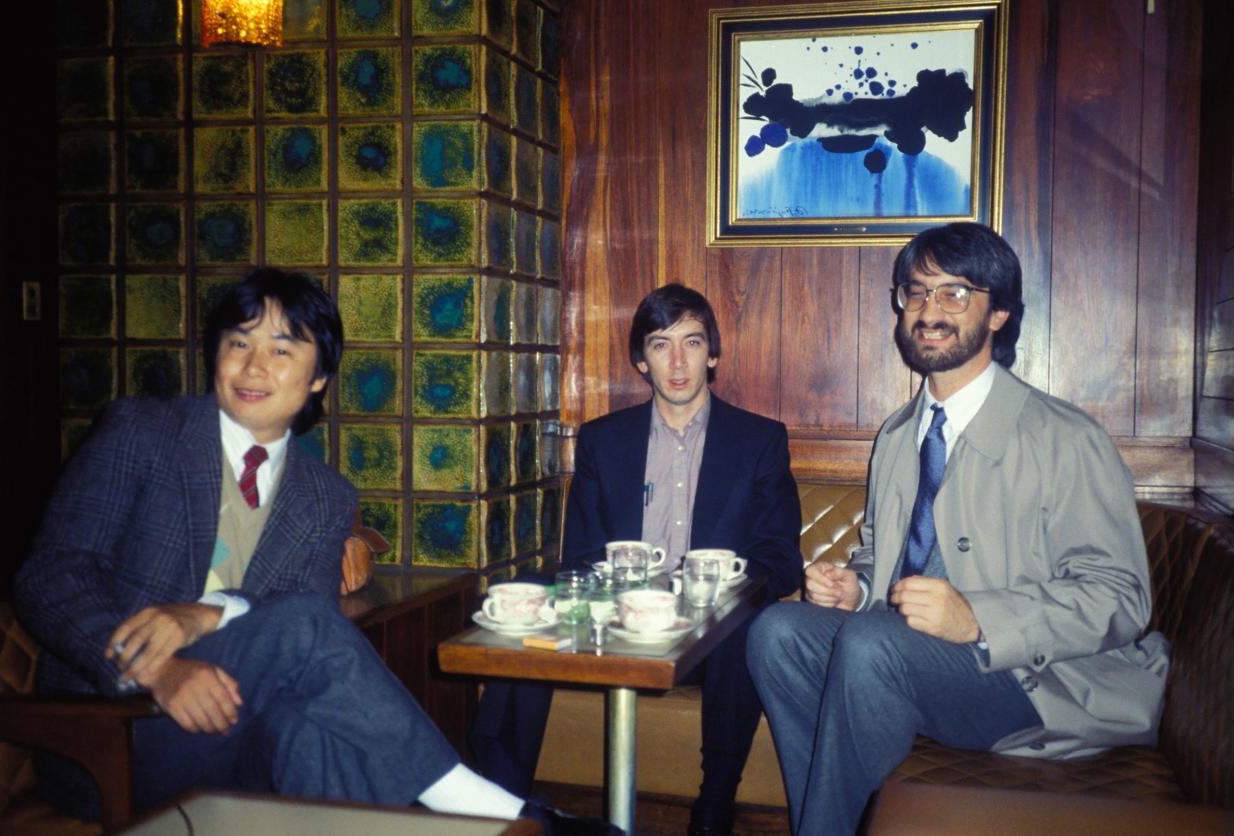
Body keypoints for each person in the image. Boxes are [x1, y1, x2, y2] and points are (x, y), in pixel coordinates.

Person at [14, 269, 615, 834]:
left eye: (281, 350)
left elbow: (300, 632)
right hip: (114, 735)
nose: (253, 367)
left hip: (242, 734)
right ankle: (500, 813)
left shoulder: (325, 496)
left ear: (319, 376)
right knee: (306, 627)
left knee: (314, 737)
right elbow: (48, 578)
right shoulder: (142, 433)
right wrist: (159, 669)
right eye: (239, 343)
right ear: (214, 353)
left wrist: (211, 612)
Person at [747, 223, 1169, 835]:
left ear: (998, 313)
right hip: (917, 658)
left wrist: (978, 617)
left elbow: (1120, 597)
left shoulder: (1065, 437)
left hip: (1037, 679)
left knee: (873, 645)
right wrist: (857, 591)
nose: (929, 311)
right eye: (916, 292)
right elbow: (881, 557)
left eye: (955, 293)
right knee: (777, 631)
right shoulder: (897, 436)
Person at [472, 284, 802, 836]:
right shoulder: (604, 440)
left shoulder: (759, 440)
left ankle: (713, 808)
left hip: (712, 632)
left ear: (713, 354)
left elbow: (781, 556)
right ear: (640, 360)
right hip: (617, 621)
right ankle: (505, 804)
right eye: (660, 344)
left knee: (747, 624)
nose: (678, 362)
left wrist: (725, 591)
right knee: (527, 596)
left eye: (692, 343)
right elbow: (579, 554)